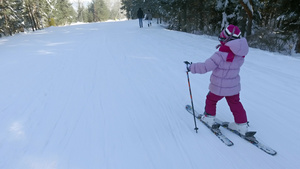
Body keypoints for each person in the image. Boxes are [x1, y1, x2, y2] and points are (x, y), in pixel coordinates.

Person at [187, 25, 250, 136]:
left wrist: (191, 67)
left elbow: (206, 66)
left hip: (218, 87)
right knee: (235, 103)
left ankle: (209, 118)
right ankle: (242, 125)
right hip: (233, 87)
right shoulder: (240, 54)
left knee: (211, 100)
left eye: (222, 39)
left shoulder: (220, 55)